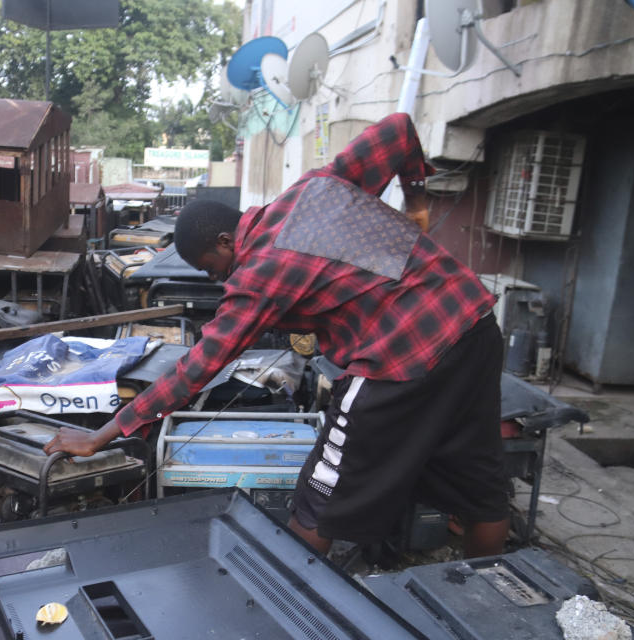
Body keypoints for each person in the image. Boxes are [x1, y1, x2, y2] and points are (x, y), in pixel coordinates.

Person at [44, 113, 510, 558]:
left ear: (226, 242)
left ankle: (293, 604)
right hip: (473, 321)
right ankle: (488, 597)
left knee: (319, 494)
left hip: (401, 353)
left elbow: (196, 368)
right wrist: (418, 205)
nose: (220, 281)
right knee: (478, 482)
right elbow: (398, 131)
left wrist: (103, 434)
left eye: (213, 268)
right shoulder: (313, 189)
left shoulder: (257, 275)